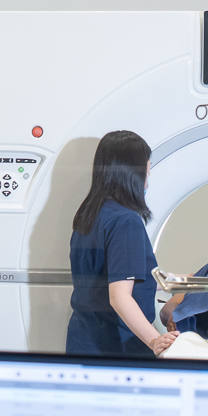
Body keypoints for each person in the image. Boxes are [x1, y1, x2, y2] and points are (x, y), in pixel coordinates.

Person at [66, 130, 179, 356]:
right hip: (117, 347)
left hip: (83, 340)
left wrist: (183, 282)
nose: (147, 182)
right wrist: (155, 339)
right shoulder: (126, 222)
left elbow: (122, 277)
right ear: (133, 175)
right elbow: (119, 296)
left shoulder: (89, 214)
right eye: (147, 173)